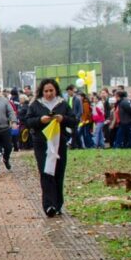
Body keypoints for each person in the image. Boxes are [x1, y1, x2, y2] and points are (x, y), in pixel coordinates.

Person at [24, 78, 79, 217]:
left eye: (51, 91)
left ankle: (58, 203)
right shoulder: (36, 105)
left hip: (59, 143)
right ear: (42, 92)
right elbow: (28, 121)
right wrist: (40, 120)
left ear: (56, 91)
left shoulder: (63, 104)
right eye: (46, 91)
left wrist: (63, 119)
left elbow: (74, 121)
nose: (49, 93)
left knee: (59, 173)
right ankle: (49, 205)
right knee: (45, 172)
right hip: (42, 143)